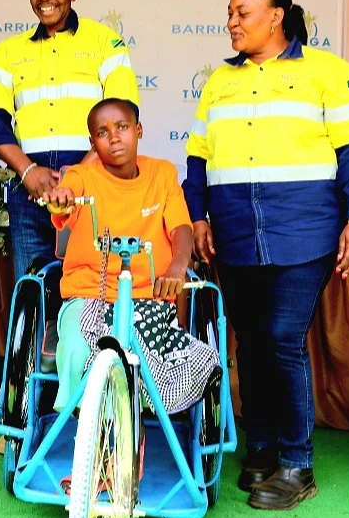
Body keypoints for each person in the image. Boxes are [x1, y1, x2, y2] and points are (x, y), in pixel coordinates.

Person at [183, 0, 349, 510]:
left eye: (243, 12)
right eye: (229, 13)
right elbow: (198, 158)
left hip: (304, 229)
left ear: (278, 15)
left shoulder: (329, 73)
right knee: (250, 344)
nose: (232, 23)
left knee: (283, 340)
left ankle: (297, 463)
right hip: (235, 231)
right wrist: (197, 216)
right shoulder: (219, 80)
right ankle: (262, 449)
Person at [44, 98, 219, 418]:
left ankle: (127, 432)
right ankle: (92, 433)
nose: (113, 137)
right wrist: (61, 198)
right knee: (79, 347)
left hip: (147, 295)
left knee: (141, 360)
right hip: (88, 296)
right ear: (92, 143)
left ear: (138, 130)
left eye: (122, 127)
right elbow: (66, 196)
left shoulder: (162, 174)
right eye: (102, 132)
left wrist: (178, 268)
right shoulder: (82, 176)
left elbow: (181, 228)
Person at [0, 0, 140, 280]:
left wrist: (80, 175)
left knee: (94, 288)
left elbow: (124, 115)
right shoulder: (8, 51)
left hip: (93, 178)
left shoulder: (106, 42)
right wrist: (27, 171)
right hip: (29, 185)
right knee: (32, 287)